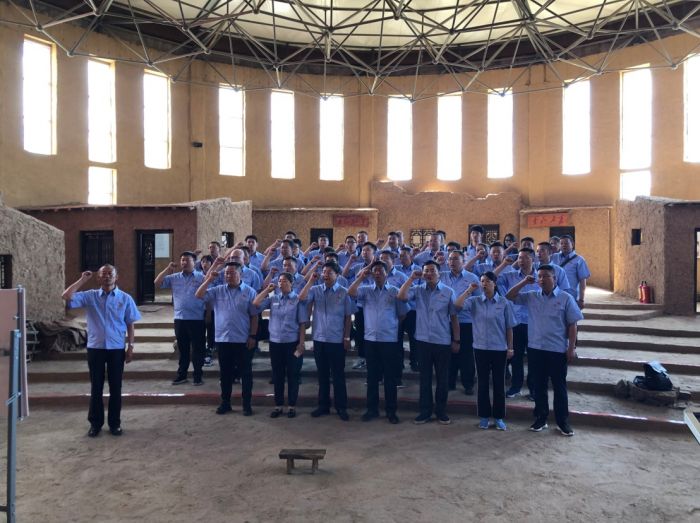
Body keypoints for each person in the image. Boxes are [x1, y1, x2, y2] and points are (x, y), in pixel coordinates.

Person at [63, 265, 141, 437]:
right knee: (96, 387)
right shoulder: (90, 296)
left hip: (116, 349)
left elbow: (130, 324)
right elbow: (66, 296)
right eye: (103, 274)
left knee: (116, 387)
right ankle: (95, 424)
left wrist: (131, 346)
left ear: (116, 277)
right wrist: (82, 279)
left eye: (110, 274)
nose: (107, 277)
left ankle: (115, 424)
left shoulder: (125, 298)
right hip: (96, 348)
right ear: (98, 278)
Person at [506, 265, 583, 436]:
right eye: (539, 276)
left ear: (554, 279)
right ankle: (541, 418)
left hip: (557, 350)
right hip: (536, 349)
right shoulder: (531, 296)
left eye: (546, 276)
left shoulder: (565, 298)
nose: (542, 279)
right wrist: (524, 282)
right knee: (538, 386)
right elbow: (509, 296)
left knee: (559, 387)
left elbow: (573, 325)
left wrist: (571, 348)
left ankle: (562, 422)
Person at [398, 260, 460, 425]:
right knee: (424, 378)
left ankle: (441, 411)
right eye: (426, 271)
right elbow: (401, 296)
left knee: (442, 378)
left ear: (439, 273)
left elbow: (454, 317)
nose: (429, 273)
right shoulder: (418, 289)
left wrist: (456, 339)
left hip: (442, 340)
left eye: (432, 270)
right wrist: (412, 278)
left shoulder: (448, 292)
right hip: (423, 340)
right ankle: (425, 411)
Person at [195, 262, 259, 416]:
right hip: (223, 339)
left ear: (240, 274)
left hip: (242, 339)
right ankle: (225, 403)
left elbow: (255, 316)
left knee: (246, 373)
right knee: (225, 373)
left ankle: (247, 404)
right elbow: (199, 295)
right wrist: (209, 279)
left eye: (232, 273)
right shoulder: (218, 290)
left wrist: (252, 336)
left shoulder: (250, 292)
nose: (228, 276)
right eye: (226, 273)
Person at [455, 272, 516, 430]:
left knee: (498, 384)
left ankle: (499, 417)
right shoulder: (475, 301)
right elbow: (457, 306)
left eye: (488, 281)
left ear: (494, 283)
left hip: (499, 348)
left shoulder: (504, 302)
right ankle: (484, 416)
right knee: (482, 383)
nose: (484, 284)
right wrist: (469, 290)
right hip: (480, 348)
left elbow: (509, 327)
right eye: (482, 281)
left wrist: (510, 347)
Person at [348, 261, 407, 424]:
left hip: (389, 340)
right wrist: (361, 277)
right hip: (371, 340)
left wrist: (390, 326)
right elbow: (350, 292)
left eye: (381, 270)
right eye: (375, 271)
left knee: (390, 378)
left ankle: (391, 411)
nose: (378, 273)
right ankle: (371, 410)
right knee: (372, 377)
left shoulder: (395, 291)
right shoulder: (366, 290)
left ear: (387, 273)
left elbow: (402, 314)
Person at [299, 261, 354, 421]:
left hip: (337, 340)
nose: (325, 275)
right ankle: (323, 406)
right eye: (324, 272)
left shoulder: (344, 292)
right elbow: (302, 298)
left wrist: (346, 337)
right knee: (322, 375)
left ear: (337, 275)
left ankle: (341, 407)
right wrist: (311, 281)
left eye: (329, 272)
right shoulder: (315, 290)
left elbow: (348, 317)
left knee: (338, 375)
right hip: (319, 338)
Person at [253, 274, 306, 418]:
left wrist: (301, 343)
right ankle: (278, 405)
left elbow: (302, 323)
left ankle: (292, 406)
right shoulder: (273, 299)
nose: (281, 283)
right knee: (277, 375)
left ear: (291, 283)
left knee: (293, 375)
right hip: (275, 343)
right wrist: (267, 290)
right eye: (279, 281)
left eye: (285, 281)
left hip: (292, 343)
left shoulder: (297, 300)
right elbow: (256, 304)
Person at [154, 251, 207, 386]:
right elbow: (157, 282)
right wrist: (168, 269)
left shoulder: (201, 277)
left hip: (197, 319)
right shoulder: (174, 277)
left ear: (194, 262)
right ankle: (182, 375)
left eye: (187, 260)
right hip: (180, 319)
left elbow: (208, 296)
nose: (184, 262)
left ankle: (198, 375)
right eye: (182, 260)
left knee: (198, 349)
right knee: (183, 349)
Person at [497, 248, 540, 400]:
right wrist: (503, 264)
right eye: (520, 258)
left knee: (534, 358)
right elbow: (492, 278)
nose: (522, 260)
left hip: (535, 323)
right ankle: (516, 386)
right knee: (516, 357)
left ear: (533, 259)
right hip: (515, 322)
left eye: (526, 257)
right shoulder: (509, 275)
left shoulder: (541, 277)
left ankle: (533, 389)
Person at [440, 250, 481, 395]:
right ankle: (449, 382)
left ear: (463, 261)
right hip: (446, 321)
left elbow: (479, 300)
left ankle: (468, 384)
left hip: (466, 321)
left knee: (466, 355)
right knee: (448, 354)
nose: (452, 262)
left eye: (456, 259)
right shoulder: (442, 276)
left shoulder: (472, 278)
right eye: (450, 259)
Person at [555, 235, 591, 309]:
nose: (563, 245)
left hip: (571, 296)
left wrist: (581, 299)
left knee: (570, 316)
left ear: (572, 244)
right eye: (561, 243)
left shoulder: (579, 260)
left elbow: (582, 281)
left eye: (566, 243)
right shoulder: (554, 257)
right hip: (555, 295)